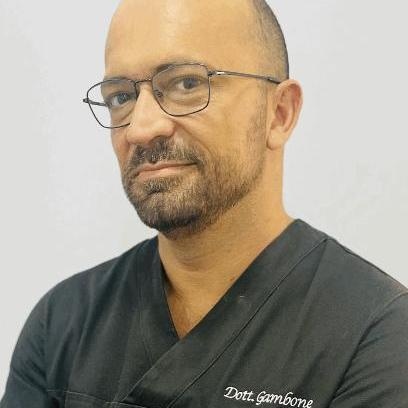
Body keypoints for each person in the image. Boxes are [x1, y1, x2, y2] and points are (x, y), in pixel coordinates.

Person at [1, 0, 407, 407]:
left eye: (186, 84)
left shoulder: (377, 336)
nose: (141, 127)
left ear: (279, 113)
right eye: (121, 96)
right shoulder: (63, 325)